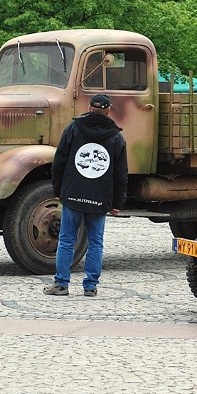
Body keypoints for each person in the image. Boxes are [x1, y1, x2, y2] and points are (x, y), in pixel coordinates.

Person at [45, 94, 127, 297]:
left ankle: (61, 284)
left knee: (66, 240)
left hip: (73, 193)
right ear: (108, 110)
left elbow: (59, 162)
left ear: (89, 107)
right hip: (100, 197)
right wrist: (117, 202)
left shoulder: (73, 129)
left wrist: (59, 191)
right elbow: (121, 174)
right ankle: (90, 286)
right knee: (96, 242)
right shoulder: (116, 137)